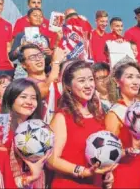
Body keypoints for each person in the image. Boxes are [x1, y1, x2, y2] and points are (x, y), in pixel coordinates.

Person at [47, 60, 116, 188]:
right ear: (68, 86)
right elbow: (51, 160)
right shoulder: (62, 117)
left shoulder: (99, 115)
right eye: (81, 80)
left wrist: (107, 174)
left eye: (90, 79)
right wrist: (82, 171)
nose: (88, 85)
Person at [105, 60, 140, 188]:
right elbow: (108, 152)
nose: (136, 81)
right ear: (117, 81)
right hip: (124, 174)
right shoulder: (115, 113)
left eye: (138, 77)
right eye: (129, 77)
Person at [1, 78, 48, 188]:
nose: (29, 102)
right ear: (10, 99)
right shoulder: (2, 131)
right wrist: (29, 179)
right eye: (23, 97)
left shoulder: (40, 128)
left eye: (33, 98)